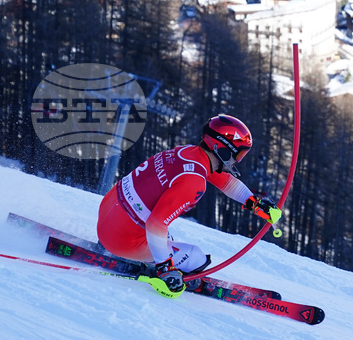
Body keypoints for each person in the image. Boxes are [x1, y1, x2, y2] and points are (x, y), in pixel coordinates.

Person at [97, 114, 282, 296]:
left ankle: (148, 259)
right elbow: (156, 224)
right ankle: (155, 268)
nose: (238, 161)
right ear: (222, 149)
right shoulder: (194, 182)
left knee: (165, 237)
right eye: (239, 154)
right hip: (121, 240)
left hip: (109, 214)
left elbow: (225, 181)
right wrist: (165, 268)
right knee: (195, 257)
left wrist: (254, 203)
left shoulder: (187, 153)